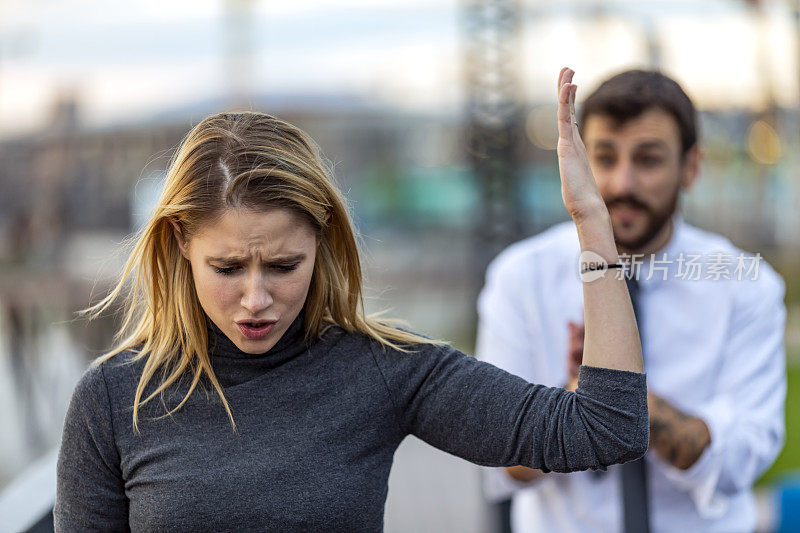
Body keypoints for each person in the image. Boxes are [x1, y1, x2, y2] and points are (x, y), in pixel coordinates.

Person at [54, 68, 648, 532]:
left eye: (285, 266)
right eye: (228, 268)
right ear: (181, 241)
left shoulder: (381, 369)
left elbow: (606, 430)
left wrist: (593, 224)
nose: (256, 299)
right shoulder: (113, 399)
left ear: (321, 240)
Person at [477, 69, 786, 532]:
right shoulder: (521, 276)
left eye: (648, 159)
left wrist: (609, 391)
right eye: (604, 157)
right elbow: (501, 462)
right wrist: (577, 399)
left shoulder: (745, 284)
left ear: (691, 167)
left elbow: (743, 458)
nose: (623, 183)